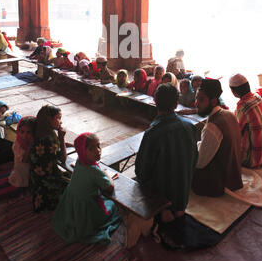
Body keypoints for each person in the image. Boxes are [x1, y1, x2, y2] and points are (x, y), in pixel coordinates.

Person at [135, 83, 198, 223]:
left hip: (162, 194)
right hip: (182, 192)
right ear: (176, 105)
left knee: (137, 181)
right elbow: (194, 160)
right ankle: (177, 208)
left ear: (154, 101)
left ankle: (163, 208)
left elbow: (141, 171)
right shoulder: (190, 127)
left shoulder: (153, 133)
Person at [52, 132, 121, 244]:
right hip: (86, 208)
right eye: (91, 149)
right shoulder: (94, 170)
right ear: (83, 152)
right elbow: (110, 188)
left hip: (72, 203)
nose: (98, 150)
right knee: (114, 207)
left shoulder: (80, 162)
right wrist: (107, 174)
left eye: (98, 145)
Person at [192, 78, 243, 197]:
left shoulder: (212, 126)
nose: (196, 103)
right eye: (196, 98)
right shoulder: (228, 114)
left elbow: (200, 163)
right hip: (234, 176)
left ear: (214, 101)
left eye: (201, 99)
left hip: (219, 183)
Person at [29, 105, 69, 212]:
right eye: (58, 118)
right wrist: (62, 138)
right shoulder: (47, 140)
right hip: (47, 180)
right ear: (48, 119)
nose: (61, 122)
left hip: (36, 179)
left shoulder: (42, 130)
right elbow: (63, 159)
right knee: (76, 181)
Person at [229, 73, 262, 168]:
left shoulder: (243, 106)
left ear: (234, 92)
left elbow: (235, 132)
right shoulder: (257, 97)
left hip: (253, 161)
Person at [8, 116, 37, 187]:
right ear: (18, 131)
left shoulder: (36, 141)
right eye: (22, 132)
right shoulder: (17, 145)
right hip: (22, 170)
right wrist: (29, 147)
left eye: (29, 132)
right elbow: (24, 160)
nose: (25, 135)